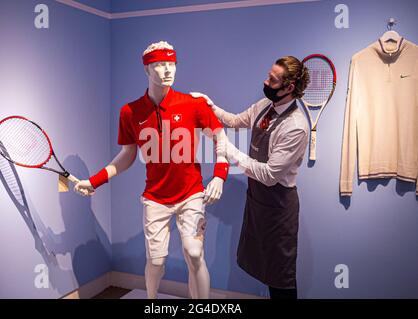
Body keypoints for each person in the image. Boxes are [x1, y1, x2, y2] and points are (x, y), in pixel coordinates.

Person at [74, 41, 229, 299]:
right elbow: (127, 155)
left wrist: (220, 176)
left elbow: (220, 137)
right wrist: (95, 181)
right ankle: (152, 300)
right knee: (156, 262)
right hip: (155, 197)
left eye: (172, 64)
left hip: (191, 193)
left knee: (194, 253)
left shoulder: (193, 104)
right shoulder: (130, 112)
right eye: (160, 65)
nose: (168, 70)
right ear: (147, 70)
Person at [191, 56, 310, 299]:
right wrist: (211, 106)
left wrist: (230, 152)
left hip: (278, 206)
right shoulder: (265, 106)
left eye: (272, 80)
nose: (265, 82)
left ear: (288, 88)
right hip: (258, 199)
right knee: (263, 266)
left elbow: (269, 176)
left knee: (280, 276)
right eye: (268, 75)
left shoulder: (296, 127)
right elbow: (236, 121)